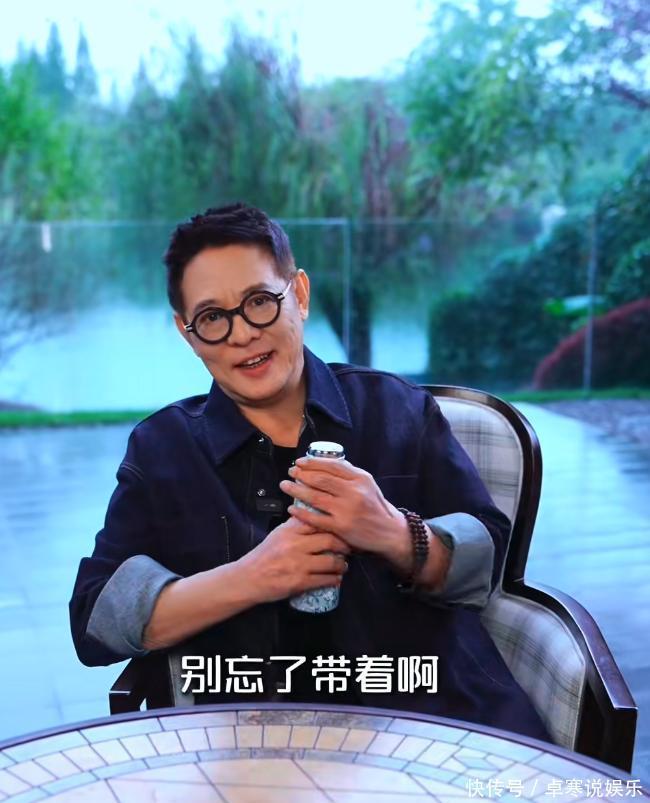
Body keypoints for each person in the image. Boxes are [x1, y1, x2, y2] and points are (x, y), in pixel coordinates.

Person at [70, 202, 549, 739]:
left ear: (298, 294)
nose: (241, 334)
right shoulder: (163, 448)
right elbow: (95, 620)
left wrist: (394, 532)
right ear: (188, 333)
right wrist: (253, 577)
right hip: (250, 742)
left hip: (429, 721)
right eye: (212, 318)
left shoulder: (397, 409)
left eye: (259, 302)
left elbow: (484, 565)